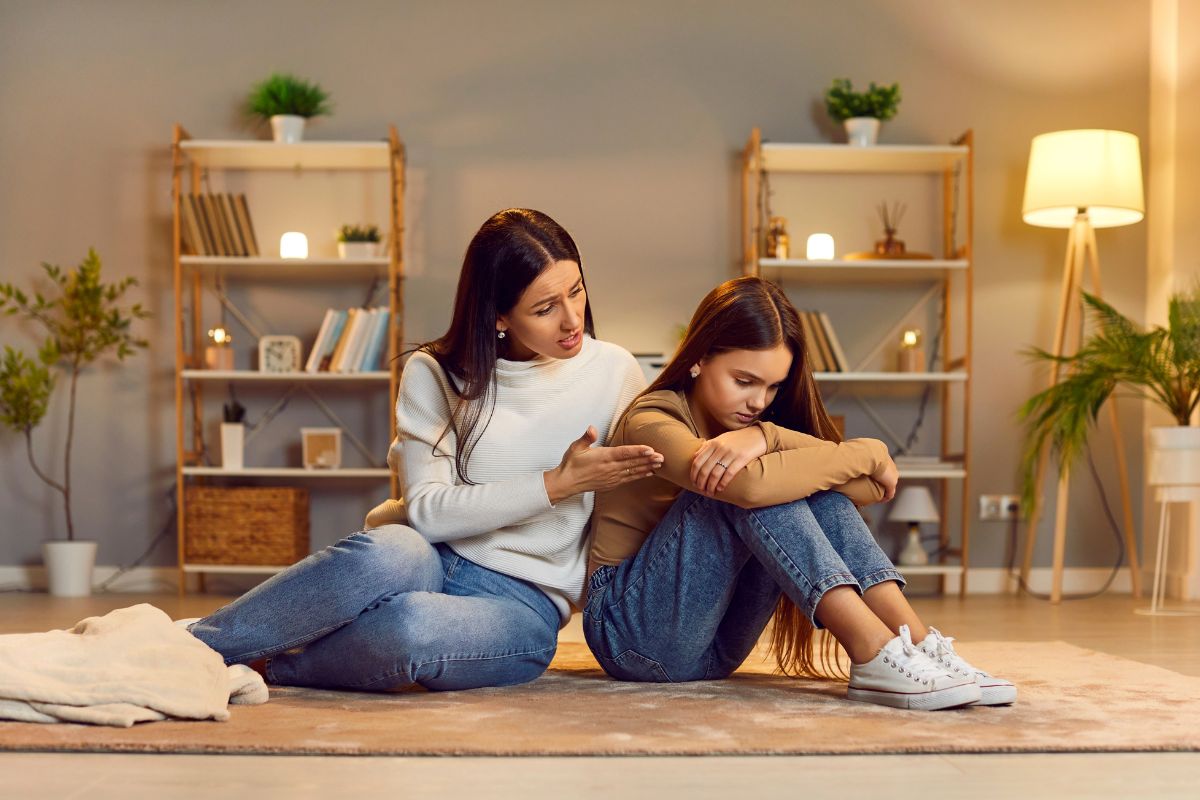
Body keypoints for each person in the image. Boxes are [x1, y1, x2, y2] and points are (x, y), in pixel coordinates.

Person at [187, 208, 658, 692]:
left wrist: (744, 433)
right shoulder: (434, 372)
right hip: (429, 555)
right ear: (498, 314)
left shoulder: (616, 372)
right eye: (544, 308)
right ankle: (188, 646)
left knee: (411, 625)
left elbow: (675, 448)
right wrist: (559, 484)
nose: (571, 319)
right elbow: (429, 514)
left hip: (525, 604)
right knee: (390, 550)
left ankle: (276, 667)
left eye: (576, 290)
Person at [584, 276, 1015, 710]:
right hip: (629, 632)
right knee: (747, 484)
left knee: (803, 484)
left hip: (715, 644)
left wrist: (768, 437)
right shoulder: (651, 418)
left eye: (772, 388)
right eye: (744, 380)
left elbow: (864, 490)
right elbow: (752, 486)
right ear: (698, 358)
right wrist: (863, 450)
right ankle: (871, 649)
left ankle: (917, 642)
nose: (758, 402)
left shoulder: (752, 429)